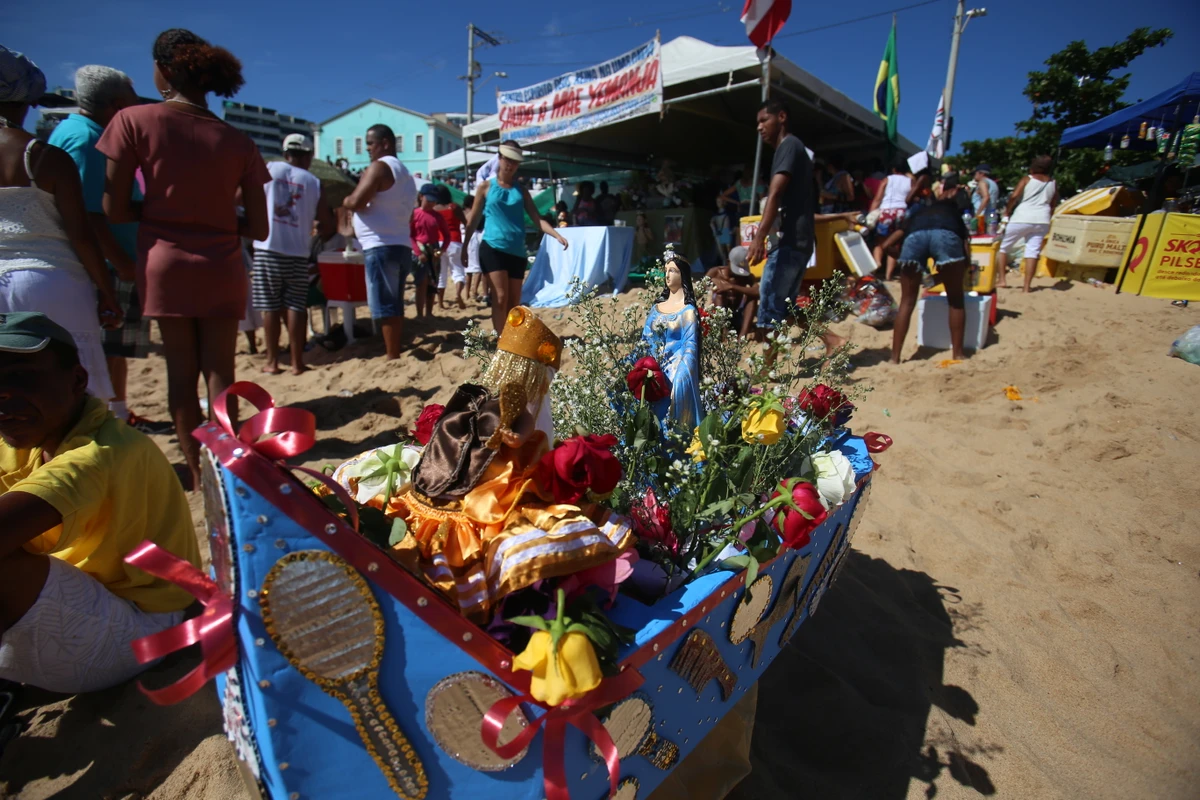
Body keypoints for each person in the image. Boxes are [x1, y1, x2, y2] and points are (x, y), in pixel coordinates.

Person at [100, 30, 270, 492]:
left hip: (165, 260)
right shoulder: (238, 141)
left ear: (165, 70)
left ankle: (196, 472)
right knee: (221, 371)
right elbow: (258, 228)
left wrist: (159, 212)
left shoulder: (133, 121)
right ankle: (228, 471)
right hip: (221, 263)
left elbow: (114, 208)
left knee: (180, 374)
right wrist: (214, 219)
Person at [0, 312, 201, 694]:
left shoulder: (100, 453)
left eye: (20, 376)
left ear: (77, 380)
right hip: (95, 601)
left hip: (146, 626)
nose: (3, 393)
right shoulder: (28, 436)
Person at [48, 66, 169, 433]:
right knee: (108, 349)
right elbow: (88, 214)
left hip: (105, 262)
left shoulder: (76, 132)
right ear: (117, 104)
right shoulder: (88, 139)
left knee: (114, 351)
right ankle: (113, 419)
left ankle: (118, 414)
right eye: (132, 103)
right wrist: (121, 264)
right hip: (105, 265)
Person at [0, 47, 120, 404]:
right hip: (50, 279)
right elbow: (80, 234)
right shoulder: (43, 156)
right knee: (75, 393)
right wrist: (107, 291)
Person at [746, 100, 846, 356]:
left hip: (789, 240)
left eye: (763, 120)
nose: (759, 127)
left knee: (769, 308)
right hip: (798, 240)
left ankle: (764, 373)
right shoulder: (793, 148)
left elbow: (776, 193)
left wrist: (759, 238)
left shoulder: (789, 146)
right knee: (785, 307)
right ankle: (832, 341)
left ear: (781, 116)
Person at [462, 141, 567, 333]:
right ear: (499, 159)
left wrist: (556, 234)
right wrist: (464, 247)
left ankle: (511, 341)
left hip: (517, 251)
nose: (510, 165)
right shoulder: (485, 187)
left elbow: (537, 219)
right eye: (507, 160)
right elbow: (473, 220)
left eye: (515, 162)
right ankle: (501, 342)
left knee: (513, 304)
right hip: (493, 247)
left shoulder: (522, 191)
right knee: (500, 297)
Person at [251, 133, 334, 375]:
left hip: (267, 247)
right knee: (296, 306)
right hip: (298, 251)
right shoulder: (312, 181)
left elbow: (243, 197)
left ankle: (273, 361)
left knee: (270, 307)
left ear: (286, 152)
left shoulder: (269, 168)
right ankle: (297, 362)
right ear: (308, 155)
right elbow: (326, 222)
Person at [878, 173, 971, 363]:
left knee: (907, 302)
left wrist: (901, 259)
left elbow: (886, 245)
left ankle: (894, 358)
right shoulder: (954, 215)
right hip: (946, 235)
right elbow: (965, 250)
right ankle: (958, 354)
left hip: (914, 237)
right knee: (955, 300)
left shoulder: (920, 212)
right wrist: (961, 269)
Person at [342, 124, 414, 359]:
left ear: (385, 143)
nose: (368, 149)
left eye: (370, 144)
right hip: (399, 242)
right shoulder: (405, 173)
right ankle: (392, 348)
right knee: (393, 301)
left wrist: (346, 200)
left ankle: (392, 353)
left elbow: (356, 201)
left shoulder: (380, 168)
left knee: (387, 304)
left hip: (382, 244)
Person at [998, 155, 1058, 293]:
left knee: (1003, 248)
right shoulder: (1053, 182)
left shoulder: (1027, 179)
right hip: (1042, 219)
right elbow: (1053, 202)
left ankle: (1002, 280)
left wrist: (1007, 211)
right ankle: (1026, 287)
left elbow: (1014, 196)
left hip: (1022, 216)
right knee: (1032, 252)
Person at [411, 183, 451, 318]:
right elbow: (410, 235)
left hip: (433, 250)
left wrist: (442, 250)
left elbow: (447, 235)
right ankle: (419, 313)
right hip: (420, 249)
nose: (431, 203)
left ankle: (429, 312)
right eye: (429, 200)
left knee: (433, 282)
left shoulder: (437, 216)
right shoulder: (414, 214)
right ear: (421, 197)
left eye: (434, 201)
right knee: (421, 283)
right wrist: (418, 252)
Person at [868, 162, 912, 279]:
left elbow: (878, 198)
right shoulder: (910, 181)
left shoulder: (888, 179)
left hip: (887, 212)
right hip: (902, 212)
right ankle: (888, 275)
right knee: (894, 244)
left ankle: (877, 263)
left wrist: (870, 215)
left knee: (879, 242)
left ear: (894, 169)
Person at [434, 184, 467, 309]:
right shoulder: (454, 207)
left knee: (441, 274)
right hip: (454, 241)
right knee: (458, 271)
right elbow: (465, 222)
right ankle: (458, 294)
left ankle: (441, 303)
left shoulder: (435, 209)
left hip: (439, 242)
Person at [462, 195, 485, 304]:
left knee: (468, 269)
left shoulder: (462, 213)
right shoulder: (473, 213)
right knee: (477, 267)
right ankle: (474, 291)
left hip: (463, 239)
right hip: (473, 238)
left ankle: (466, 293)